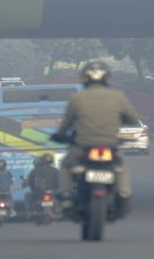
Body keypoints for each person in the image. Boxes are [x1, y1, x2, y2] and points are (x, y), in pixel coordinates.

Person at [52, 61, 141, 220]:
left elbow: (66, 124)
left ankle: (65, 196)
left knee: (65, 166)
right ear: (107, 78)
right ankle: (124, 193)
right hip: (111, 146)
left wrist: (59, 135)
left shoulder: (77, 99)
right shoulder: (117, 97)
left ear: (84, 79)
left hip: (83, 147)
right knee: (121, 168)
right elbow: (133, 119)